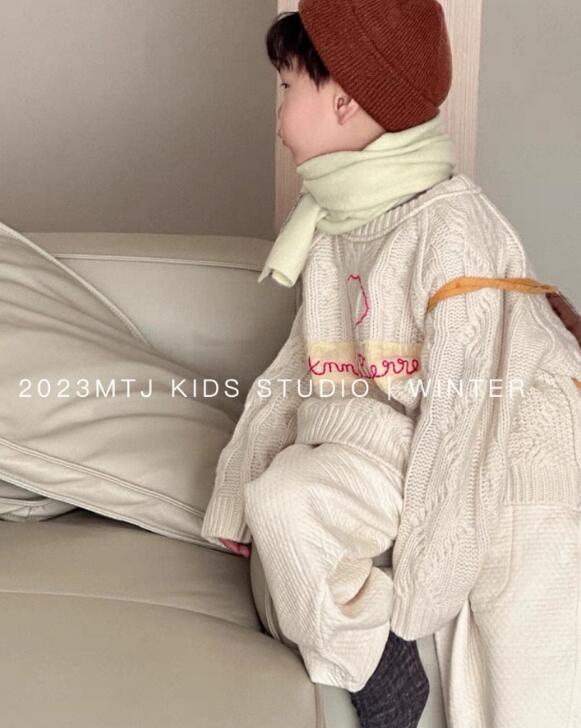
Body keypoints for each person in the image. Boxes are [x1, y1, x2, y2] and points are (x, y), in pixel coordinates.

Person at [202, 2, 581, 727]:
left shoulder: (453, 234)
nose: (278, 113)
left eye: (287, 88)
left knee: (525, 684)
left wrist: (422, 593)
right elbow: (297, 365)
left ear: (344, 99)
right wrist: (235, 496)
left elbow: (464, 422)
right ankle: (374, 658)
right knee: (281, 500)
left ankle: (392, 655)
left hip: (510, 442)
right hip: (385, 440)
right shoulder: (337, 219)